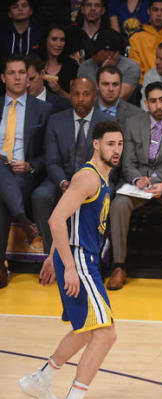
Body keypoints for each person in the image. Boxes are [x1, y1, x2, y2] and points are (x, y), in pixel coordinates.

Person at [17, 120, 124, 399]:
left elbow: (71, 217)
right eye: (110, 144)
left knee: (85, 330)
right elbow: (55, 218)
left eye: (119, 144)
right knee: (106, 334)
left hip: (76, 258)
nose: (116, 150)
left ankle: (42, 378)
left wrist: (53, 257)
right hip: (79, 260)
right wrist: (69, 264)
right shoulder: (88, 177)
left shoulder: (99, 177)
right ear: (96, 144)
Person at [107, 82, 162, 292]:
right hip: (138, 184)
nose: (158, 106)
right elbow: (126, 162)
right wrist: (137, 179)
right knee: (119, 203)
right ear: (146, 103)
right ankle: (118, 266)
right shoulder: (132, 123)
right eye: (153, 101)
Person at [0, 54, 53, 289]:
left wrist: (30, 165)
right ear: (3, 78)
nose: (18, 77)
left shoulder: (42, 109)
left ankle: (1, 267)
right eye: (12, 73)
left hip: (23, 175)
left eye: (22, 72)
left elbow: (47, 153)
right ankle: (23, 218)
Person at [32, 78, 99, 255]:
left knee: (107, 194)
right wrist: (63, 183)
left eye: (86, 94)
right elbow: (51, 161)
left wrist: (84, 185)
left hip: (93, 180)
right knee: (40, 196)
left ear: (94, 96)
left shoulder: (105, 122)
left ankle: (92, 255)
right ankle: (52, 254)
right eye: (76, 94)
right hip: (62, 178)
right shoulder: (56, 120)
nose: (80, 99)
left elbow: (109, 163)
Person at [78, 29, 141, 102]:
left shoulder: (131, 68)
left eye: (94, 51)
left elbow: (117, 99)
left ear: (110, 54)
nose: (91, 54)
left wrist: (104, 72)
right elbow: (82, 98)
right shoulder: (85, 66)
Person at [38, 25, 78, 101]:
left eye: (62, 40)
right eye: (54, 39)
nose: (59, 44)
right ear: (45, 40)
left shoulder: (72, 65)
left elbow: (76, 101)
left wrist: (60, 91)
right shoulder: (35, 65)